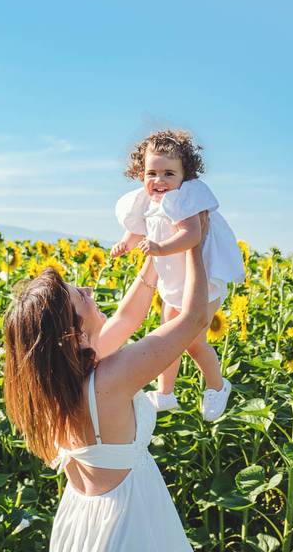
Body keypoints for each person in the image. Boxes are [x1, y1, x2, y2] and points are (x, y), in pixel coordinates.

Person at [3, 212, 214, 552]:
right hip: (130, 523)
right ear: (73, 334)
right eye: (81, 297)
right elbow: (195, 319)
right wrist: (195, 244)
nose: (89, 290)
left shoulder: (59, 382)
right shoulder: (111, 378)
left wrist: (157, 259)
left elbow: (128, 317)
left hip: (82, 522)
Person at [111, 129, 244, 420]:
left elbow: (191, 235)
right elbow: (136, 229)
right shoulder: (146, 201)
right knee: (165, 337)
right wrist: (125, 243)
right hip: (174, 282)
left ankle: (218, 386)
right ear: (140, 172)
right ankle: (165, 393)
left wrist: (160, 247)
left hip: (202, 284)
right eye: (151, 173)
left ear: (185, 175)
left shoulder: (186, 201)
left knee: (192, 341)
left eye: (168, 174)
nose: (159, 181)